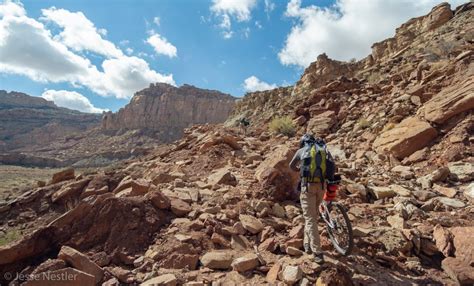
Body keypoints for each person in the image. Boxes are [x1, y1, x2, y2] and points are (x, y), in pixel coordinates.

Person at [289, 134, 336, 264]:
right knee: (312, 216)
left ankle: (317, 252)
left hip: (307, 188)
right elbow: (332, 166)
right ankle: (307, 244)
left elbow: (291, 166)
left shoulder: (301, 151)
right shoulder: (323, 149)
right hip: (322, 186)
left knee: (310, 218)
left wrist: (301, 169)